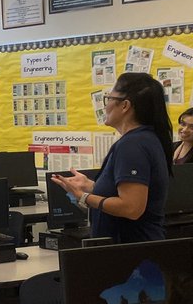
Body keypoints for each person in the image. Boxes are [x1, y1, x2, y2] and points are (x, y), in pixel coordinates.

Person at [50, 73, 172, 243]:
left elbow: (131, 208)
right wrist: (93, 186)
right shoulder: (144, 139)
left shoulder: (132, 145)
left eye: (108, 99)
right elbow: (127, 193)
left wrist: (82, 196)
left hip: (129, 251)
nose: (105, 107)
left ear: (125, 106)